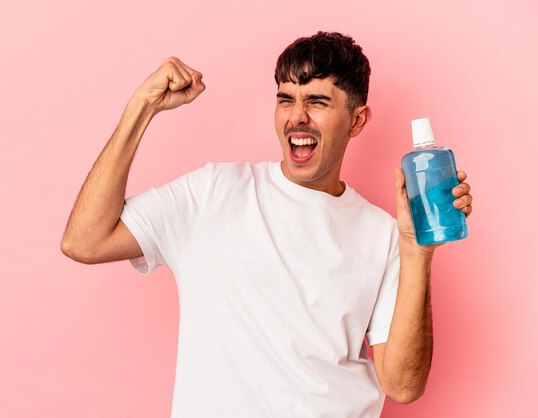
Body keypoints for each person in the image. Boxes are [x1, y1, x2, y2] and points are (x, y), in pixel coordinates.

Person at [61, 31, 473, 417]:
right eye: (285, 99)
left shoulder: (383, 234)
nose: (297, 117)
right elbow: (85, 241)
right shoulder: (214, 191)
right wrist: (142, 107)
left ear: (357, 120)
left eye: (317, 102)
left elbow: (402, 385)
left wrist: (417, 250)